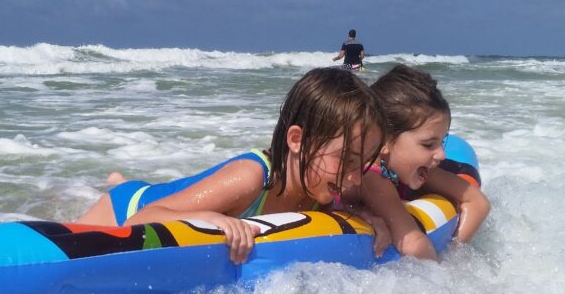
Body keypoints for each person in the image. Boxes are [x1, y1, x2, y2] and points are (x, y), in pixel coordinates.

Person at [75, 67, 386, 264]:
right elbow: (142, 220)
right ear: (296, 141)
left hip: (161, 197)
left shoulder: (321, 187)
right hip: (126, 208)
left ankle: (119, 179)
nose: (352, 177)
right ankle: (118, 184)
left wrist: (367, 217)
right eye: (345, 160)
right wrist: (210, 219)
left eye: (361, 164)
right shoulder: (251, 178)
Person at [349, 64, 490, 261]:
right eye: (428, 144)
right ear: (384, 141)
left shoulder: (421, 169)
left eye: (442, 142)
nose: (441, 154)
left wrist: (454, 252)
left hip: (456, 168)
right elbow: (412, 242)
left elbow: (477, 202)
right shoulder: (369, 177)